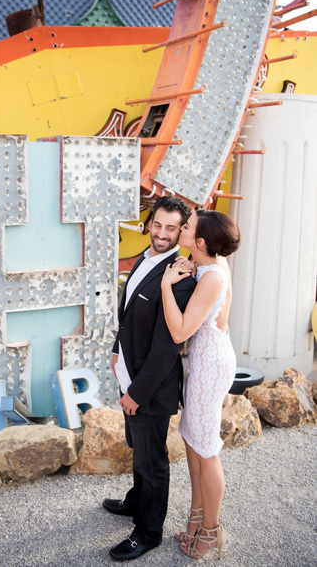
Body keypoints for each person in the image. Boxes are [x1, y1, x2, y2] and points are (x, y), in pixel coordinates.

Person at [104, 197, 198, 561]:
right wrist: (116, 349)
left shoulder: (180, 276)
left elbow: (167, 347)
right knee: (137, 450)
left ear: (180, 232)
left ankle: (148, 532)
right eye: (157, 225)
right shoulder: (144, 258)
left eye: (171, 228)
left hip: (150, 388)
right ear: (149, 223)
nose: (161, 233)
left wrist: (137, 394)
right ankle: (135, 501)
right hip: (129, 373)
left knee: (152, 460)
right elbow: (128, 315)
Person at [161, 208, 241, 561]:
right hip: (208, 357)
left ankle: (211, 531)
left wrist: (166, 285)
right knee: (192, 439)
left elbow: (180, 331)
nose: (181, 228)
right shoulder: (211, 264)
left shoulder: (211, 277)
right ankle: (196, 517)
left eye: (187, 227)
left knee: (206, 449)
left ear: (201, 241)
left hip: (210, 364)